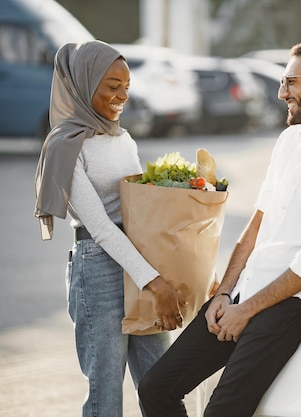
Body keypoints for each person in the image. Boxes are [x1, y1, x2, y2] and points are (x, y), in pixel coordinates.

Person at [138, 40, 301, 417]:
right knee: (155, 388)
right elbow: (257, 225)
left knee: (222, 412)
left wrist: (245, 311)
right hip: (243, 293)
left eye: (290, 82)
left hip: (290, 306)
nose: (282, 93)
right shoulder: (290, 141)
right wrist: (225, 294)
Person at [33, 40, 186, 417]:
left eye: (126, 88)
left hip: (138, 260)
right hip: (98, 268)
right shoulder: (65, 144)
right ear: (86, 82)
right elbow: (100, 226)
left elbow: (142, 206)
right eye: (111, 85)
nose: (121, 96)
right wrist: (156, 283)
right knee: (106, 395)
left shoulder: (122, 137)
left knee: (159, 384)